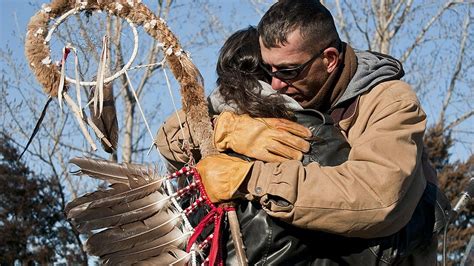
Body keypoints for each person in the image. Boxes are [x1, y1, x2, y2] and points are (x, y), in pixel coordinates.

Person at [158, 1, 445, 264]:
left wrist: (250, 179)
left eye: (289, 71)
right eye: (268, 69)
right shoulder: (277, 88)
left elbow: (375, 197)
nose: (275, 84)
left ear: (330, 59)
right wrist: (222, 129)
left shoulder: (388, 101)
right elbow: (169, 137)